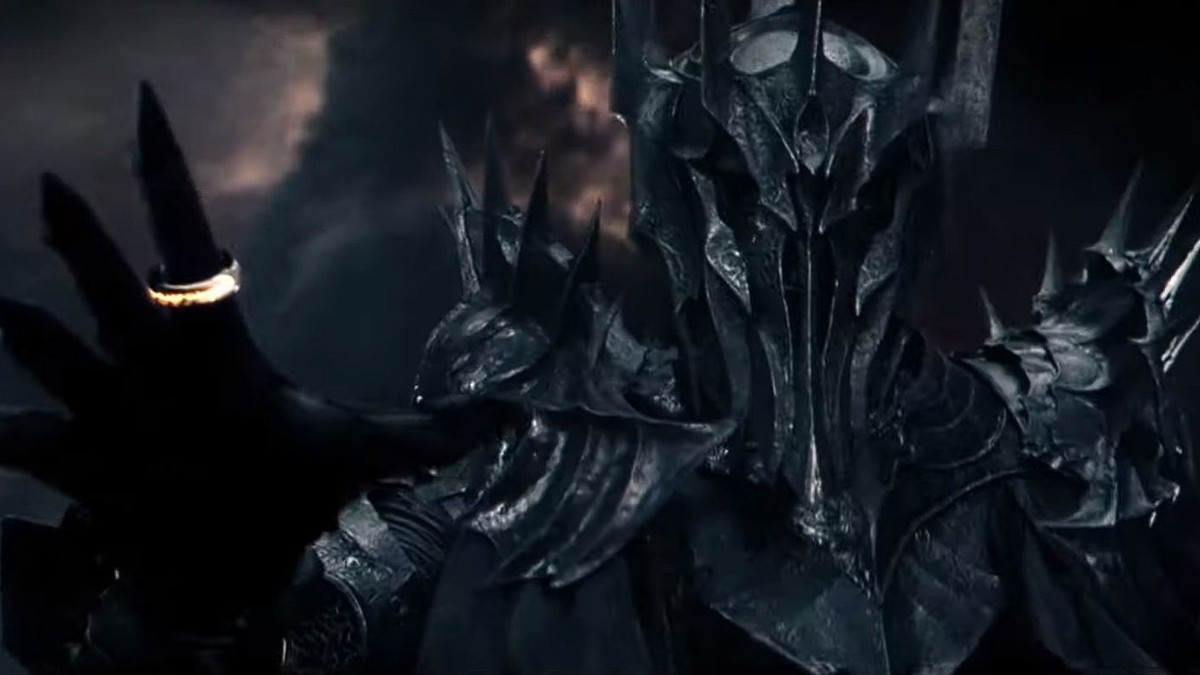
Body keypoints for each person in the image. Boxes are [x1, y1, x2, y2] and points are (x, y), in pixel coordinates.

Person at [3, 1, 1199, 673]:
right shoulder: (540, 476)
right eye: (741, 187)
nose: (803, 251)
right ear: (677, 202)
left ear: (916, 195)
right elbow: (287, 636)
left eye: (861, 196)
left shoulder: (1059, 443)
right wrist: (201, 591)